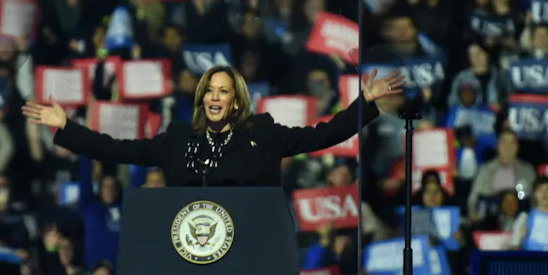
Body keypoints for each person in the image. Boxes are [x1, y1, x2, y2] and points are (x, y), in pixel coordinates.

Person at [21, 65, 403, 186]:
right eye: (210, 91)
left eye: (224, 91)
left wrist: (364, 103)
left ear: (236, 99)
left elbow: (326, 134)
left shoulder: (264, 134)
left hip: (251, 254)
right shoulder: (176, 138)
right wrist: (66, 126)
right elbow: (116, 149)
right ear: (202, 98)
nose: (215, 98)